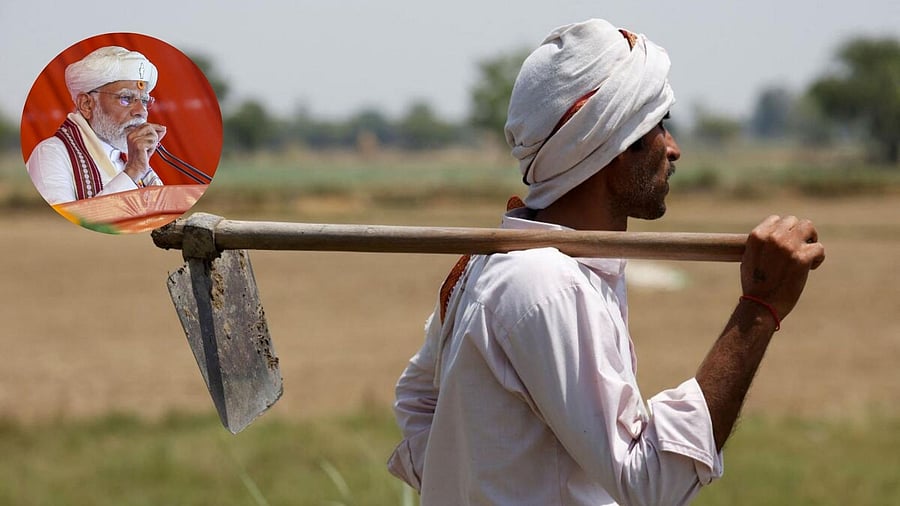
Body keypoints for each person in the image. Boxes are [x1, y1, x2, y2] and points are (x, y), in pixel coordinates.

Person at [389, 18, 826, 505]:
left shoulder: (497, 263)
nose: (674, 148)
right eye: (659, 125)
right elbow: (649, 481)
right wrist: (758, 309)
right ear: (616, 147)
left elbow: (417, 403)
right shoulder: (547, 283)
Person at [26, 46, 167, 204]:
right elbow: (64, 224)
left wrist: (139, 165)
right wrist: (133, 171)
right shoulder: (51, 154)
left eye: (145, 101)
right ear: (86, 104)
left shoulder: (126, 156)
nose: (141, 111)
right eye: (126, 98)